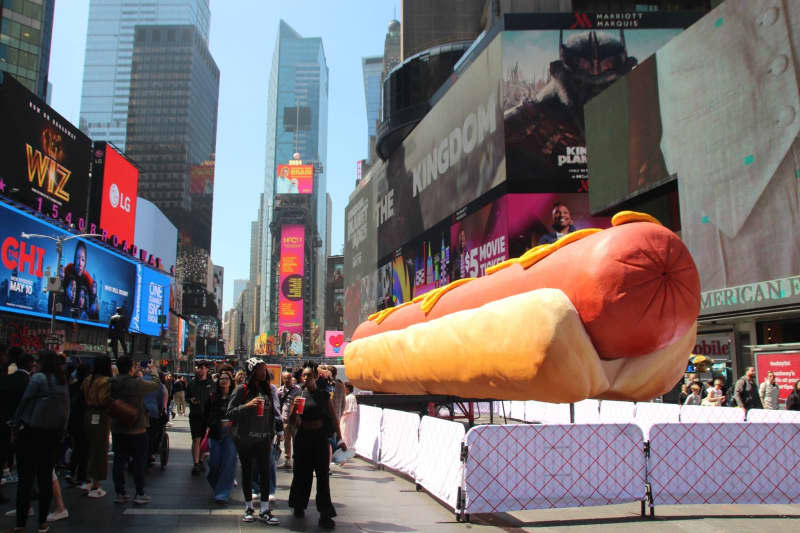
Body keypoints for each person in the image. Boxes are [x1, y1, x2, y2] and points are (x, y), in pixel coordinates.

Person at [11, 351, 69, 533]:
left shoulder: (37, 379)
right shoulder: (62, 382)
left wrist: (15, 426)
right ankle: (42, 522)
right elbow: (67, 411)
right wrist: (62, 433)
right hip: (52, 435)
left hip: (31, 432)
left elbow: (24, 403)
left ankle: (21, 524)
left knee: (26, 480)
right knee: (45, 479)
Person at [288, 361, 345, 530]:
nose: (306, 378)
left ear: (315, 377)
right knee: (301, 474)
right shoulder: (298, 395)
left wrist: (340, 439)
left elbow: (333, 417)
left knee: (322, 477)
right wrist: (293, 410)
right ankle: (299, 505)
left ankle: (325, 513)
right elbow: (292, 422)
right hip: (303, 438)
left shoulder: (323, 395)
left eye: (309, 376)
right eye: (304, 376)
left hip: (319, 438)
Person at [226, 358, 279, 525]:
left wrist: (272, 434)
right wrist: (248, 405)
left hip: (263, 439)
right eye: (260, 369)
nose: (264, 372)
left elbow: (271, 415)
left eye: (265, 369)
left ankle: (264, 509)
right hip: (245, 439)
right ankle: (249, 507)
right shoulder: (242, 390)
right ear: (252, 371)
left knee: (265, 473)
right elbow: (230, 412)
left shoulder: (268, 390)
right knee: (247, 472)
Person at [110, 355, 160, 505]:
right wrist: (153, 371)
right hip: (136, 428)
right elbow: (155, 384)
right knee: (139, 461)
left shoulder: (112, 382)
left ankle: (120, 492)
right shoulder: (136, 383)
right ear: (131, 368)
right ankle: (139, 492)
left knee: (118, 460)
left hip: (118, 427)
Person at [0, 349, 33, 504]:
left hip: (6, 422)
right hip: (22, 425)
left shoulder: (8, 379)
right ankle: (28, 491)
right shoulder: (30, 382)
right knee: (25, 459)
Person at [82, 355, 112, 498]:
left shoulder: (88, 379)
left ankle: (87, 479)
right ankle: (96, 484)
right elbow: (104, 400)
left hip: (88, 413)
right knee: (100, 448)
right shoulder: (106, 381)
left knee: (88, 446)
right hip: (100, 415)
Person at [206, 370, 236, 504]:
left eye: (226, 379)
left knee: (228, 464)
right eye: (221, 378)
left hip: (230, 435)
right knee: (214, 464)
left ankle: (222, 494)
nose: (224, 381)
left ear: (231, 382)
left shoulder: (235, 398)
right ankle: (217, 485)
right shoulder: (213, 397)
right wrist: (215, 424)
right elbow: (206, 414)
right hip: (215, 434)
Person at [66, 364, 90, 488]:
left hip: (73, 421)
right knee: (84, 449)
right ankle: (81, 476)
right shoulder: (87, 387)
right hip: (85, 421)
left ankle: (71, 471)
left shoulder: (72, 386)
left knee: (77, 447)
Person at [187, 362, 213, 474]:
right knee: (196, 439)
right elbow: (188, 396)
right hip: (195, 414)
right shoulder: (192, 383)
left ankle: (201, 460)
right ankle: (196, 463)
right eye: (198, 368)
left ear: (207, 370)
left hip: (207, 416)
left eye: (202, 368)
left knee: (204, 439)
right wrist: (191, 400)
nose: (200, 370)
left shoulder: (212, 384)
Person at [279, 371, 300, 469]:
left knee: (297, 441)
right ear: (282, 379)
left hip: (295, 420)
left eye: (289, 378)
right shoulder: (279, 390)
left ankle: (297, 461)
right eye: (285, 378)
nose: (287, 380)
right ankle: (287, 461)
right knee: (287, 441)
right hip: (285, 420)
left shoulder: (298, 389)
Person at [339, 382, 359, 452]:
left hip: (348, 419)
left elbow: (351, 409)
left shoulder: (351, 397)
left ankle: (349, 448)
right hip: (343, 418)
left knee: (347, 433)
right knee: (343, 433)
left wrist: (344, 413)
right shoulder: (346, 396)